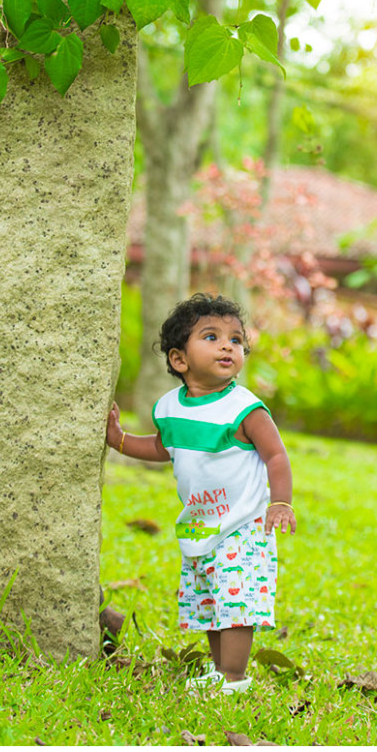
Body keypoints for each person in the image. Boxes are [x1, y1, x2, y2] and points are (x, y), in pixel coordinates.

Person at [105, 293, 296, 694]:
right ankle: (217, 668)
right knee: (209, 600)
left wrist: (280, 502)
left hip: (242, 525)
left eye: (236, 339)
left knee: (235, 600)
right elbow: (162, 447)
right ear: (179, 359)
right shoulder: (171, 408)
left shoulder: (246, 409)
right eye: (212, 336)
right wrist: (119, 440)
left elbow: (276, 456)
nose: (228, 345)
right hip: (198, 526)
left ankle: (234, 676)